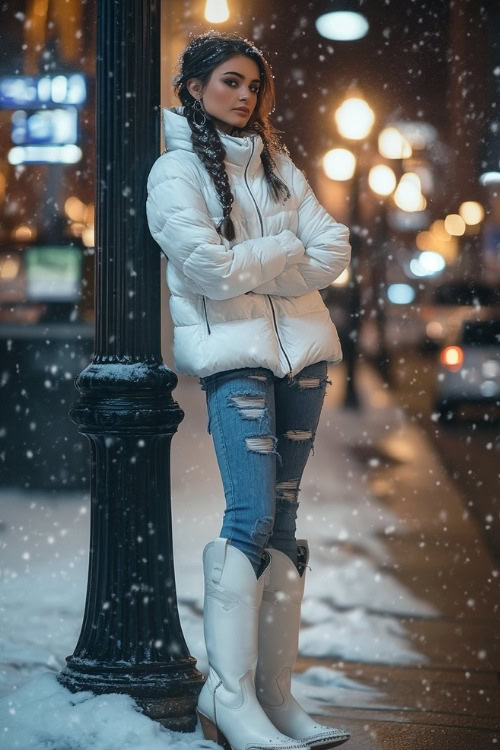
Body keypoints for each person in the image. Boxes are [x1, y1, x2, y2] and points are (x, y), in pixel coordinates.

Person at [146, 30, 351, 750]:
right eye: (230, 81)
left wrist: (256, 261)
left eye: (253, 85)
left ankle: (273, 695)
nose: (244, 95)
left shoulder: (277, 165)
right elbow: (206, 268)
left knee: (285, 523)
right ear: (195, 88)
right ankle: (229, 697)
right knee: (251, 515)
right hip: (235, 361)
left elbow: (335, 248)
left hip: (303, 360)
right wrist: (283, 252)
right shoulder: (175, 172)